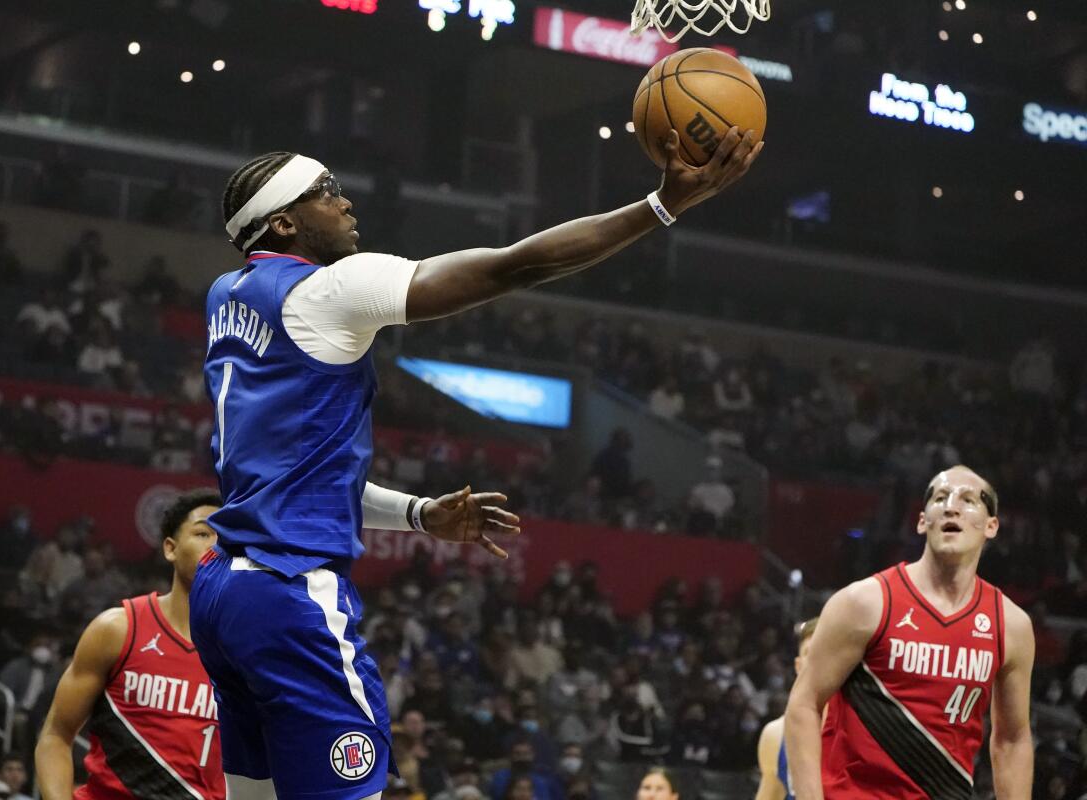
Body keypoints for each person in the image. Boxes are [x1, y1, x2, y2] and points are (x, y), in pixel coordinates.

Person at [191, 129, 759, 800]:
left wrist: (418, 514)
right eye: (327, 191)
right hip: (292, 596)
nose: (346, 203)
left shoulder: (226, 295)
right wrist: (659, 206)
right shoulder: (329, 291)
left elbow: (302, 474)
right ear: (284, 220)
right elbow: (512, 266)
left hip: (223, 593)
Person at [785, 465, 1035, 799]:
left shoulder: (1011, 625)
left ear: (991, 526)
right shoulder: (865, 602)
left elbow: (1012, 739)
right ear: (922, 521)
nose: (951, 506)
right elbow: (804, 704)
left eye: (969, 500)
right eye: (941, 498)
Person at [34, 490, 226, 800]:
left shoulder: (248, 652)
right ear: (170, 549)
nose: (216, 545)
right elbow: (55, 735)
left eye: (226, 537)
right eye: (203, 533)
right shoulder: (117, 629)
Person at [754, 618, 817, 800]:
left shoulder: (865, 730)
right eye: (810, 653)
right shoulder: (776, 734)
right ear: (798, 666)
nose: (817, 660)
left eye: (825, 652)